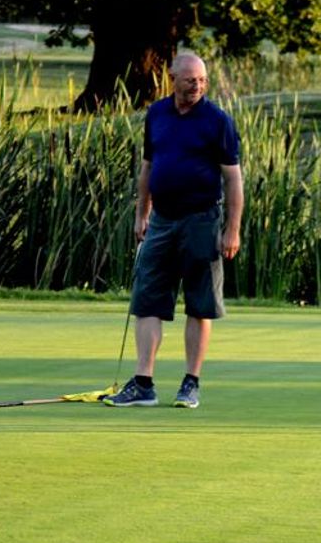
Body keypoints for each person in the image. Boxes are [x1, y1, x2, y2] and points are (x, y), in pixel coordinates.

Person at [103, 52, 244, 410]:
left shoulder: (218, 121)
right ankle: (143, 384)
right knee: (147, 299)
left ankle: (190, 383)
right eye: (190, 80)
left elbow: (233, 179)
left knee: (199, 303)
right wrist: (142, 213)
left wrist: (232, 229)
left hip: (202, 220)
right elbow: (148, 167)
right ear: (173, 78)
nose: (197, 86)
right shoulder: (157, 114)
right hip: (162, 220)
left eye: (202, 80)